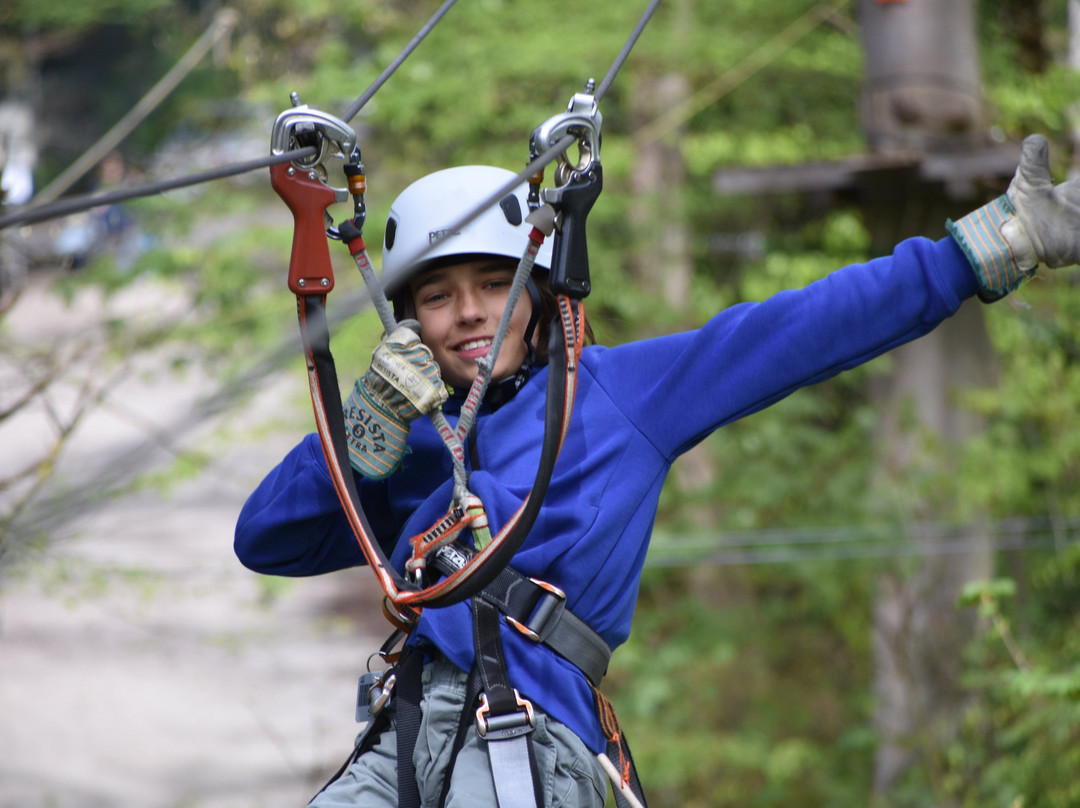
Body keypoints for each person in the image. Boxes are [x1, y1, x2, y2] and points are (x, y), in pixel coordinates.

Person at [234, 135, 1080, 807]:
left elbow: (803, 329)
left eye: (495, 284)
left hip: (527, 738)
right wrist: (366, 425)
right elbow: (266, 539)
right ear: (410, 319)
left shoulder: (618, 397)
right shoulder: (410, 443)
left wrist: (991, 248)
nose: (469, 314)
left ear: (539, 295)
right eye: (438, 295)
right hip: (405, 733)